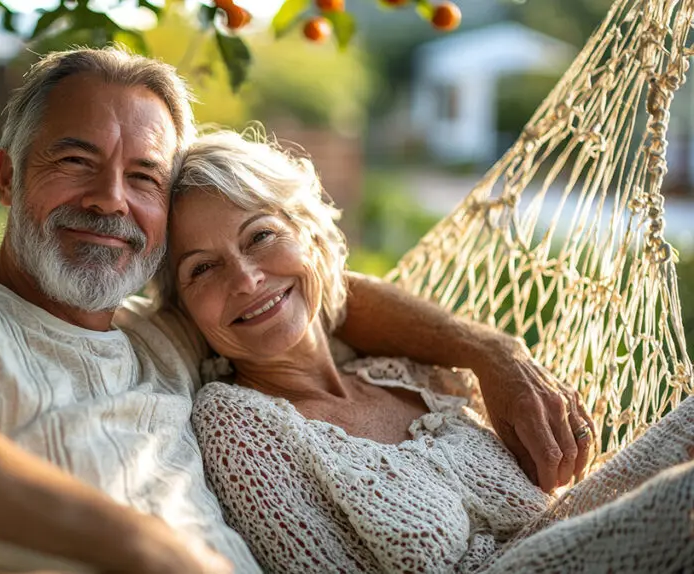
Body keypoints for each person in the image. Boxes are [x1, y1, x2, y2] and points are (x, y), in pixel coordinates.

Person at [0, 46, 594, 573]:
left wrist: (489, 352)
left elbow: (309, 296)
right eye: (76, 162)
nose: (111, 199)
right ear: (7, 179)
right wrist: (138, 548)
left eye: (143, 177)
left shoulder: (161, 332)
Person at [154, 128, 694, 573]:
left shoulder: (406, 371)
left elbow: (558, 514)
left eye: (260, 236)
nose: (246, 279)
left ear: (310, 237)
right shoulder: (236, 421)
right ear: (184, 308)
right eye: (202, 268)